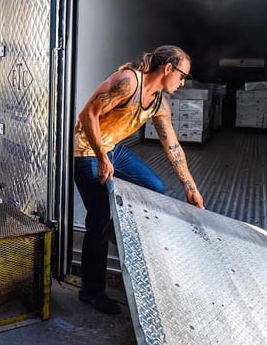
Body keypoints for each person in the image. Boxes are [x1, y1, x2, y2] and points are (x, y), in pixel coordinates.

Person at [74, 45, 204, 314]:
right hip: (86, 150)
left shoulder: (158, 103)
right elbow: (88, 114)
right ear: (168, 68)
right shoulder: (127, 82)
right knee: (98, 219)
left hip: (113, 149)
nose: (182, 82)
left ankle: (118, 231)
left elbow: (173, 147)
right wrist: (101, 157)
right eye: (182, 76)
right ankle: (91, 292)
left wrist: (191, 187)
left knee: (155, 187)